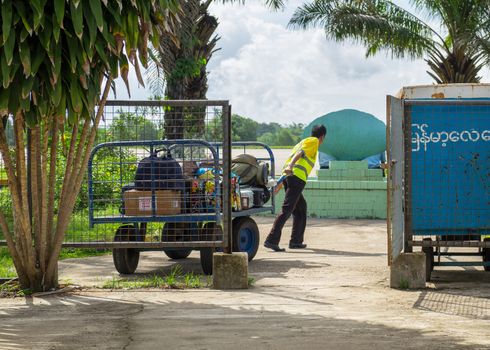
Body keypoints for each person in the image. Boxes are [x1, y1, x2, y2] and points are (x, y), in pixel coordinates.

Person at [264, 124, 327, 251]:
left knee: (300, 209)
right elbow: (299, 155)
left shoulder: (302, 141)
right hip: (296, 178)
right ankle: (271, 239)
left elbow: (292, 159)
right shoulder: (314, 141)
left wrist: (281, 182)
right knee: (287, 209)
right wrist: (290, 167)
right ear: (322, 137)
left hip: (290, 177)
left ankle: (296, 241)